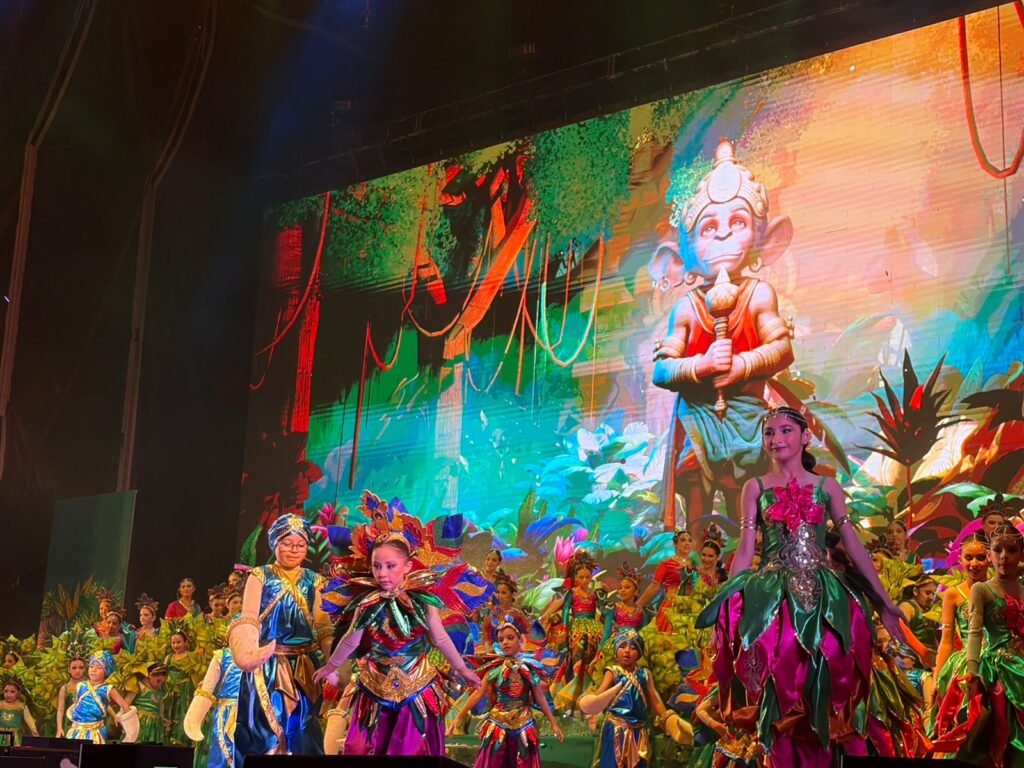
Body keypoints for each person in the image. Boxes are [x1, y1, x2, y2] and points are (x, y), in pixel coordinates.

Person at [695, 406, 905, 768]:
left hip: (826, 595)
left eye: (786, 430)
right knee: (778, 681)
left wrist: (884, 602)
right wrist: (724, 612)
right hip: (772, 597)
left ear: (806, 437)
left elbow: (853, 547)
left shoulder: (827, 487)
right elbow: (745, 550)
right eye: (769, 433)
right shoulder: (755, 487)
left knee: (834, 671)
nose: (776, 439)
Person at [650, 140, 795, 526]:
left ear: (766, 239)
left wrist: (741, 365)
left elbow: (782, 349)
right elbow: (662, 371)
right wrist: (702, 365)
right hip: (699, 416)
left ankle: (751, 548)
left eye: (738, 223)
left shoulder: (759, 294)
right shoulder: (687, 306)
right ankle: (696, 552)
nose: (723, 237)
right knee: (692, 471)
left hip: (747, 414)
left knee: (752, 484)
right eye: (709, 227)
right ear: (681, 256)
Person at [314, 490, 491, 756]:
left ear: (407, 566)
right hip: (374, 685)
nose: (382, 573)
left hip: (415, 685)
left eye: (390, 566)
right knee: (360, 746)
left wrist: (462, 668)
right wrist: (331, 665)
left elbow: (440, 637)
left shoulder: (424, 600)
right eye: (377, 567)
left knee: (409, 749)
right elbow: (351, 639)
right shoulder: (367, 602)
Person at [228, 514, 333, 759]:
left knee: (304, 728)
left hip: (305, 667)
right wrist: (247, 648)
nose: (294, 550)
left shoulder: (315, 580)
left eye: (300, 545)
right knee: (264, 728)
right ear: (274, 543)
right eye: (287, 544)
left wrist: (334, 661)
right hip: (267, 663)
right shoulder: (260, 575)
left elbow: (323, 625)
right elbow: (249, 616)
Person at [951, 523, 1024, 768]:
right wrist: (972, 670)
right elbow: (974, 632)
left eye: (1011, 550)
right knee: (998, 728)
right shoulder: (982, 589)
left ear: (1021, 554)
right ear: (990, 554)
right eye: (998, 550)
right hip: (997, 670)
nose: (1004, 556)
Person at [453, 613, 563, 767]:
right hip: (498, 723)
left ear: (520, 640)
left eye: (510, 638)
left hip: (524, 723)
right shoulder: (494, 668)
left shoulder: (529, 668)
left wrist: (553, 723)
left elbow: (540, 697)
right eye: (501, 639)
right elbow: (478, 693)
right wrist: (460, 716)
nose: (505, 642)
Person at [577, 629, 691, 768]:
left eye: (633, 648)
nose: (627, 651)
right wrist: (591, 706)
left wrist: (667, 717)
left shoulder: (644, 674)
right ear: (616, 651)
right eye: (622, 646)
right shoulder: (613, 672)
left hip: (638, 731)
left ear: (639, 653)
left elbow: (654, 698)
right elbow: (600, 693)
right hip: (616, 730)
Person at [539, 550, 604, 715]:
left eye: (587, 577)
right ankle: (572, 699)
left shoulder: (595, 594)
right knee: (576, 661)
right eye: (581, 577)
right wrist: (564, 630)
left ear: (591, 577)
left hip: (594, 632)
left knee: (590, 662)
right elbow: (566, 611)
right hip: (577, 632)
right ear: (575, 577)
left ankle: (588, 698)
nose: (584, 580)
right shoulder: (572, 593)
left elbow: (603, 611)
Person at [184, 646, 243, 768]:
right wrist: (195, 717)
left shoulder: (261, 655)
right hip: (228, 714)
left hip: (248, 713)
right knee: (222, 754)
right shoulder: (222, 656)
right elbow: (207, 688)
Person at [65, 650, 139, 743]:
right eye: (91, 666)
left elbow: (124, 706)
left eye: (99, 667)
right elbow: (77, 704)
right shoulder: (80, 685)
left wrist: (130, 729)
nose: (94, 670)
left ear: (106, 671)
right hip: (76, 730)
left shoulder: (108, 689)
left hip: (95, 733)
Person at [123, 663, 169, 745]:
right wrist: (129, 723)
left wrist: (162, 718)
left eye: (163, 674)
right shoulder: (139, 685)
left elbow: (160, 704)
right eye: (156, 674)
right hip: (141, 723)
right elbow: (125, 704)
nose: (161, 677)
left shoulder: (162, 689)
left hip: (155, 725)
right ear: (149, 675)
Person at [899, 575, 938, 666]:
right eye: (927, 593)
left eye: (933, 594)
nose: (931, 597)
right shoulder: (907, 607)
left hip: (929, 659)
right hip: (910, 659)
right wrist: (921, 651)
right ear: (915, 591)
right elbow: (901, 632)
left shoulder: (931, 609)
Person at [0, 679, 38, 745]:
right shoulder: (1, 704)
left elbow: (29, 719)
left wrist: (33, 730)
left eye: (12, 692)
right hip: (0, 734)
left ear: (18, 693)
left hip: (15, 736)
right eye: (6, 691)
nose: (8, 694)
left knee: (14, 749)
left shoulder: (21, 706)